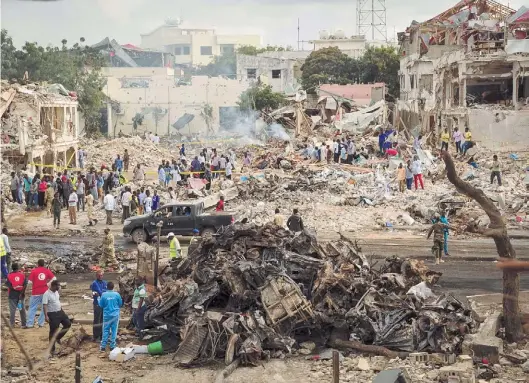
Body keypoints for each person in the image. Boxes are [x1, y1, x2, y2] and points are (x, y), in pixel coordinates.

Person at [43, 280, 71, 355]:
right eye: (58, 286)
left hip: (60, 311)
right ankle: (52, 350)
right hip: (52, 313)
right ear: (53, 286)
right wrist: (46, 316)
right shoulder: (46, 294)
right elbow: (45, 305)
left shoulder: (56, 292)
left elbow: (57, 301)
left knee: (67, 324)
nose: (59, 287)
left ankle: (58, 337)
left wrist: (62, 310)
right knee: (53, 331)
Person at [27, 259, 55, 328]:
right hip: (44, 292)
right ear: (44, 264)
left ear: (37, 264)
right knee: (44, 308)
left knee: (32, 308)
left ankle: (30, 323)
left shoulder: (34, 271)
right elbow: (54, 278)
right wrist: (48, 284)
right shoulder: (46, 270)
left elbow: (29, 282)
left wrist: (35, 282)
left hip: (35, 292)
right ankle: (41, 323)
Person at [99, 281, 123, 352]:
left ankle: (103, 346)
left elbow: (101, 305)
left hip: (106, 315)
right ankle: (112, 346)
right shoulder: (117, 295)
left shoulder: (103, 295)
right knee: (114, 330)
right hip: (115, 315)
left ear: (107, 287)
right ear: (113, 287)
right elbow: (120, 304)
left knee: (105, 330)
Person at [6, 263, 27, 328]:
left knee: (12, 310)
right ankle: (23, 324)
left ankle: (12, 325)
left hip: (12, 296)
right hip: (20, 296)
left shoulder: (9, 276)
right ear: (18, 268)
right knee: (22, 310)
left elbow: (9, 286)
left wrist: (15, 289)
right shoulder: (22, 275)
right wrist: (21, 293)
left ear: (12, 268)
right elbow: (25, 284)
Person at [90, 271, 107, 341]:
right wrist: (103, 291)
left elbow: (105, 291)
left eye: (102, 275)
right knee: (97, 320)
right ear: (96, 276)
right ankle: (95, 336)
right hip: (97, 303)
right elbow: (100, 292)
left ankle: (101, 335)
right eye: (99, 275)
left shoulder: (104, 282)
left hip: (103, 303)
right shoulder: (94, 283)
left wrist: (102, 292)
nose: (100, 277)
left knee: (102, 319)